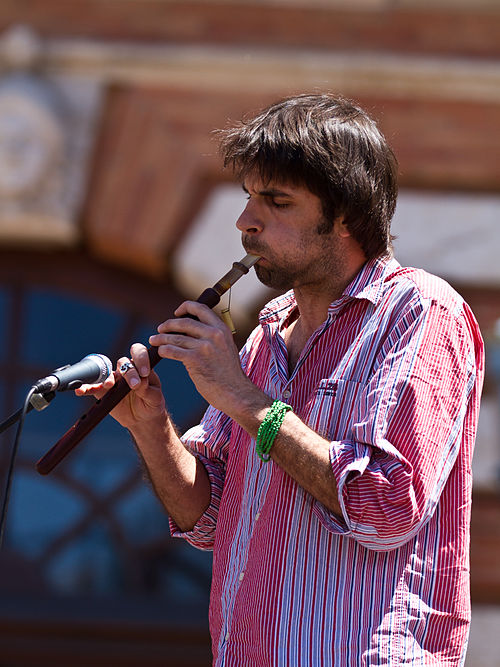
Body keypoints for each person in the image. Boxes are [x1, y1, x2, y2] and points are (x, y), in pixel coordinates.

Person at [78, 93, 484, 666]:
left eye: (277, 201)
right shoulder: (268, 332)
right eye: (249, 197)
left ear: (344, 214)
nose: (246, 221)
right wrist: (151, 427)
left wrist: (241, 396)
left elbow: (387, 506)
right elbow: (207, 517)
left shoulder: (418, 311)